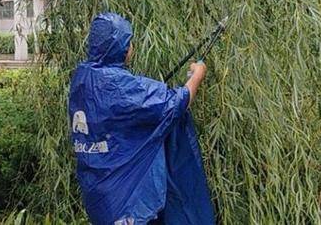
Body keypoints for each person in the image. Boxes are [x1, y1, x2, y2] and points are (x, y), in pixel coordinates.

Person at [69, 12, 215, 225]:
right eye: (129, 42)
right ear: (120, 47)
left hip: (99, 198)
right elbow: (175, 104)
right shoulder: (120, 86)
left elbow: (129, 110)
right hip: (128, 205)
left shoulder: (82, 77)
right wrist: (197, 76)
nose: (131, 47)